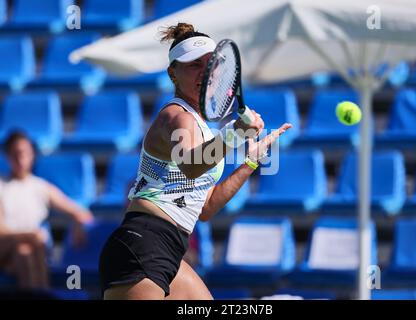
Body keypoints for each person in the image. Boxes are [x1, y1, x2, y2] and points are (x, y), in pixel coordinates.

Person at [99, 22, 292, 300]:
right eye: (193, 65)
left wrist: (249, 163)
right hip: (143, 245)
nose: (204, 72)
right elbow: (190, 165)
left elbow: (206, 207)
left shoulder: (202, 127)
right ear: (173, 74)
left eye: (209, 65)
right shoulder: (176, 116)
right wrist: (236, 132)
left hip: (169, 249)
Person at [0, 131, 94, 290]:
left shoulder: (41, 187)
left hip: (28, 251)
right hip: (5, 248)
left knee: (25, 252)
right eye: (15, 154)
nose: (21, 159)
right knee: (31, 246)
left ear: (32, 155)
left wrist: (78, 224)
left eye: (25, 154)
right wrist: (31, 235)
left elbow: (80, 212)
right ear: (8, 156)